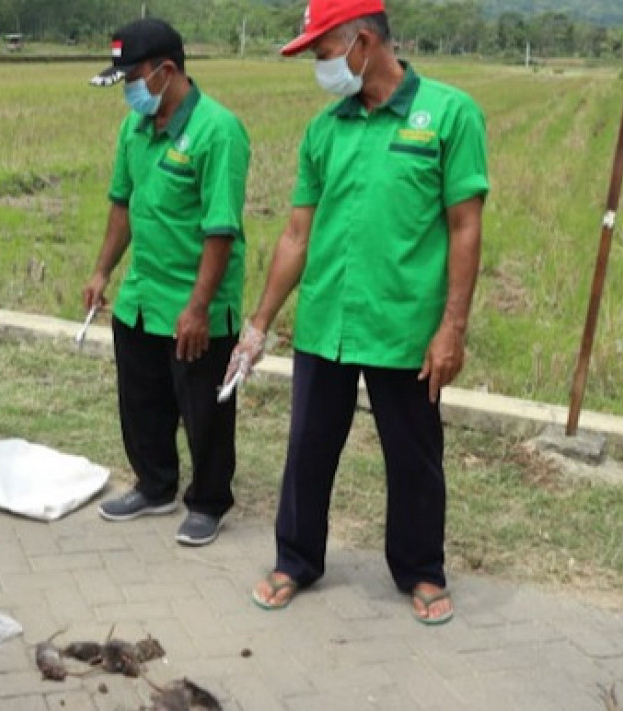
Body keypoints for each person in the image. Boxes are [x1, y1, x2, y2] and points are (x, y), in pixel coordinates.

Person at [232, 0, 488, 624]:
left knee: (414, 457)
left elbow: (464, 226)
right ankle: (296, 559)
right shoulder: (326, 129)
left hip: (405, 329)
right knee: (308, 450)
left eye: (323, 53)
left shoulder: (449, 114)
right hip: (328, 324)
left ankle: (421, 570)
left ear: (363, 42)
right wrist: (259, 323)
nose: (320, 68)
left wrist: (452, 327)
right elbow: (296, 235)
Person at [84, 18, 251, 547]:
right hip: (142, 297)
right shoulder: (134, 128)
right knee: (141, 400)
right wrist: (102, 271)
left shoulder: (218, 131)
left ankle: (208, 500)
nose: (128, 90)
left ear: (166, 71)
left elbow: (220, 229)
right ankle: (154, 485)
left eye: (132, 77)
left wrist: (199, 307)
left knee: (204, 411)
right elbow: (121, 206)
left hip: (194, 301)